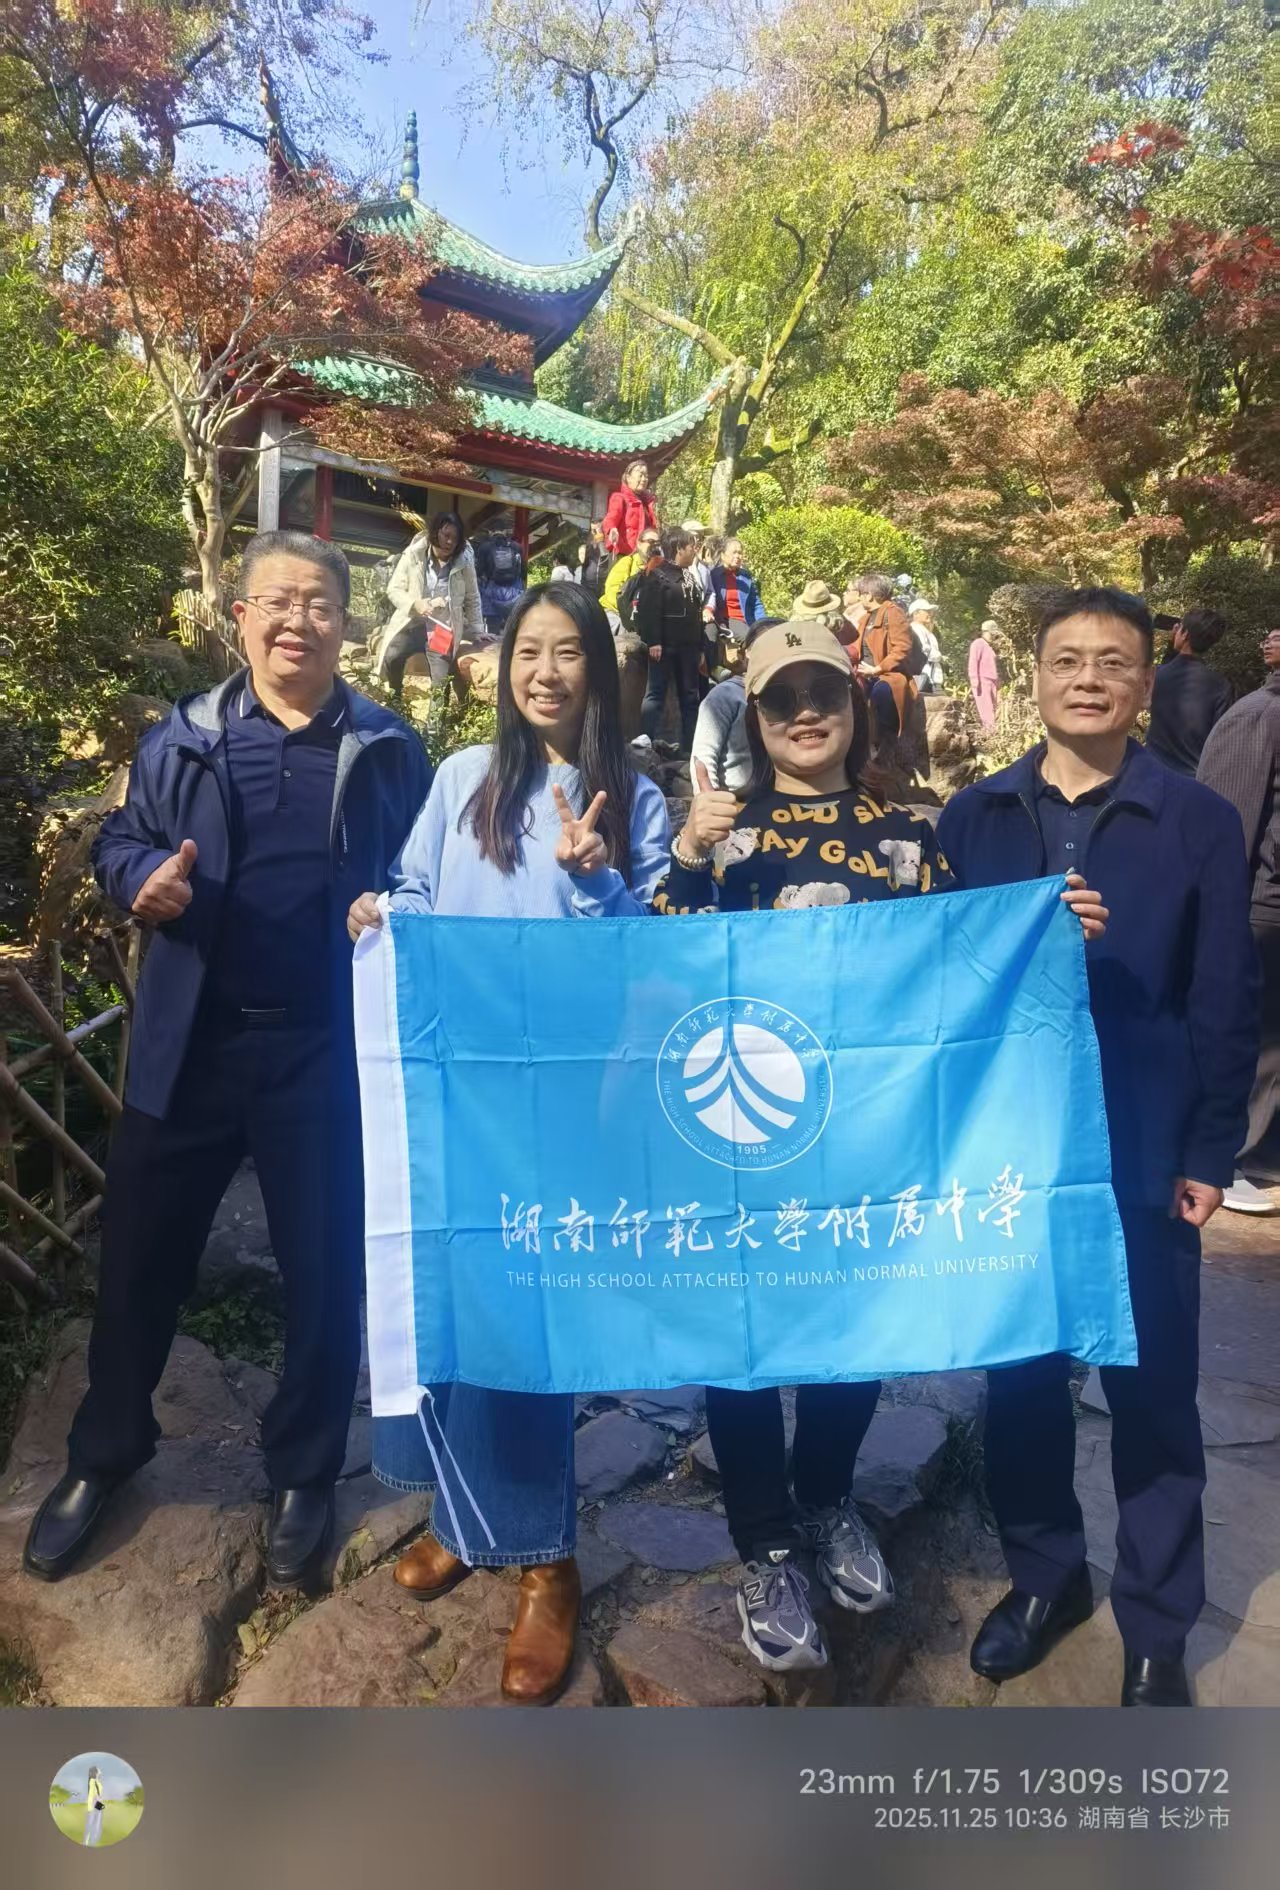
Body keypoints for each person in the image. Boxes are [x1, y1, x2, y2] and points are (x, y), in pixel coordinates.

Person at [23, 531, 433, 1591]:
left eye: (319, 603)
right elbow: (121, 840)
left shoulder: (389, 748)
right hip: (191, 1043)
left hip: (325, 1050)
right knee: (138, 1260)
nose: (298, 620)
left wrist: (395, 905)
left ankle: (304, 1472)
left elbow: (425, 874)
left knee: (324, 1272)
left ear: (347, 623)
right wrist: (139, 880)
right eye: (276, 601)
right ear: (240, 616)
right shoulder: (186, 735)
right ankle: (104, 1452)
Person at [347, 582, 670, 1705]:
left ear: (598, 671)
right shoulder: (460, 780)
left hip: (563, 1098)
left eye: (567, 652)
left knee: (528, 1312)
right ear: (503, 666)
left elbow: (646, 954)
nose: (544, 671)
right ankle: (464, 1515)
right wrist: (380, 914)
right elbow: (416, 889)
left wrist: (593, 878)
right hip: (456, 1081)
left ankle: (546, 1563)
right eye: (528, 650)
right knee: (450, 1289)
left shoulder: (633, 797)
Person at [938, 586, 1259, 1709]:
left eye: (1112, 662)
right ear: (1031, 676)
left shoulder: (1194, 821)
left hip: (1141, 1144)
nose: (1088, 679)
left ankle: (1157, 1624)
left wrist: (1210, 1150)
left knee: (1152, 1391)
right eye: (1067, 659)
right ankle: (1045, 1578)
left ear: (1142, 684)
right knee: (1022, 1380)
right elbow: (933, 985)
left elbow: (1223, 994)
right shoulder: (973, 817)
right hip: (1008, 1149)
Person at [651, 619, 956, 1671]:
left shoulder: (909, 836)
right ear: (755, 717)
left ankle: (825, 1498)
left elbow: (963, 968)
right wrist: (686, 853)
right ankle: (765, 1545)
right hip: (743, 1131)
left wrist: (1057, 928)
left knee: (849, 1327)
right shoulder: (724, 837)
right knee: (739, 1338)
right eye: (781, 698)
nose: (806, 713)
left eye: (824, 691)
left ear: (855, 705)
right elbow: (654, 963)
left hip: (866, 1132)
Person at [1197, 628, 1280, 1214]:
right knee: (1254, 1037)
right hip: (1263, 909)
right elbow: (1225, 832)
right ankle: (1236, 1159)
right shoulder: (1258, 716)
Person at [375, 510, 484, 698]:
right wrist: (414, 604)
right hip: (411, 624)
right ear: (435, 533)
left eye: (455, 538)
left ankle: (437, 717)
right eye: (446, 535)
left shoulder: (464, 561)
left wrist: (477, 630)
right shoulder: (413, 554)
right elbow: (394, 589)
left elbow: (472, 597)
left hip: (441, 628)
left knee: (440, 679)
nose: (450, 542)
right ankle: (396, 701)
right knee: (392, 656)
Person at [688, 618, 780, 794]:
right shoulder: (726, 695)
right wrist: (709, 799)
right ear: (747, 654)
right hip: (733, 798)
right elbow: (703, 756)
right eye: (765, 648)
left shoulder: (791, 696)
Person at [636, 527, 706, 754]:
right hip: (664, 647)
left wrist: (700, 648)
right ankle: (644, 741)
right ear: (679, 548)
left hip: (688, 648)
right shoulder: (657, 576)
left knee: (690, 697)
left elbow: (696, 615)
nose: (694, 551)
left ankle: (690, 747)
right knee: (655, 693)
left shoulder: (689, 577)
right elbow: (649, 610)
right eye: (691, 546)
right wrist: (654, 641)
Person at [1146, 607, 1234, 775]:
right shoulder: (1221, 685)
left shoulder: (1157, 676)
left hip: (1152, 771)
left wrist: (1171, 647)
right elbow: (1221, 738)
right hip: (1193, 778)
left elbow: (1168, 672)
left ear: (1185, 634)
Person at [854, 572, 920, 742]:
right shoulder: (864, 618)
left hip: (889, 676)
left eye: (860, 594)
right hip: (863, 675)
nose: (859, 598)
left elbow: (902, 648)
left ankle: (888, 747)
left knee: (881, 694)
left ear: (869, 595)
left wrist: (877, 669)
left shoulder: (893, 613)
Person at [600, 526, 660, 633]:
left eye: (657, 543)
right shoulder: (627, 562)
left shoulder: (660, 568)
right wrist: (631, 610)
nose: (654, 546)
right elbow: (611, 591)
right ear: (639, 543)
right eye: (651, 541)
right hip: (615, 611)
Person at [707, 537, 766, 646]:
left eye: (740, 553)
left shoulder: (746, 576)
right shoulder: (714, 575)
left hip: (747, 620)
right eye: (734, 552)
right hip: (729, 620)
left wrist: (764, 623)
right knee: (752, 640)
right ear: (723, 555)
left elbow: (756, 603)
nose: (738, 556)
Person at [474, 531, 526, 639]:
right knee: (513, 628)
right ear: (505, 532)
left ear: (491, 532)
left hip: (491, 592)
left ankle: (494, 643)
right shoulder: (516, 547)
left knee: (493, 630)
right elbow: (523, 572)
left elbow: (478, 572)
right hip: (514, 592)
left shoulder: (485, 547)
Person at [601, 458, 658, 556]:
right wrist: (612, 529)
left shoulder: (648, 503)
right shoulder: (619, 498)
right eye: (640, 475)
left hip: (646, 555)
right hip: (625, 554)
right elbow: (611, 518)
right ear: (628, 478)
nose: (644, 479)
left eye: (646, 476)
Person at [908, 600, 946, 695]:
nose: (930, 614)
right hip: (925, 676)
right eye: (926, 611)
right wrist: (939, 656)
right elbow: (924, 651)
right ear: (916, 614)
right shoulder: (915, 629)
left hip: (932, 678)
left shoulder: (924, 630)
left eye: (930, 612)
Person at [968, 621, 1001, 729]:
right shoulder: (978, 643)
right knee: (986, 710)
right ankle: (990, 732)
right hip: (982, 682)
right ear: (985, 632)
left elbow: (993, 667)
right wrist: (974, 680)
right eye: (992, 634)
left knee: (995, 708)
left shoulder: (989, 646)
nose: (993, 637)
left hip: (992, 682)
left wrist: (998, 684)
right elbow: (973, 662)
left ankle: (994, 730)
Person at [575, 523, 607, 600]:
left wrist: (600, 540)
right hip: (590, 593)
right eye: (593, 531)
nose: (595, 533)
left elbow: (604, 558)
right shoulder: (587, 552)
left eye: (597, 530)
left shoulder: (603, 547)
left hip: (602, 591)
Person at [83, 1768, 104, 1848]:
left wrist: (100, 1803)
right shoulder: (92, 1781)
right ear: (95, 1772)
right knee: (90, 1823)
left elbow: (99, 1794)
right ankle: (86, 1842)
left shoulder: (97, 1781)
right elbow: (92, 1795)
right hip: (94, 1803)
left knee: (97, 1823)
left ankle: (92, 1842)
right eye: (98, 1770)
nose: (100, 1771)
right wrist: (92, 1805)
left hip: (98, 1803)